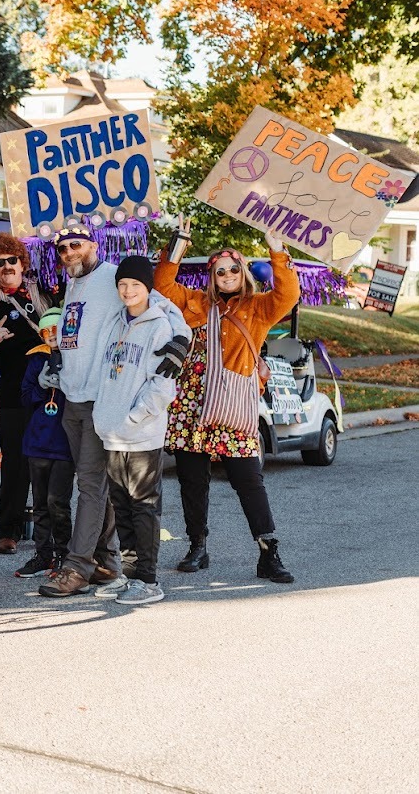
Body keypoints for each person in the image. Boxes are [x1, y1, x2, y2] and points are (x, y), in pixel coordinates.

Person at [40, 225, 190, 598]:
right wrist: (59, 361)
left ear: (93, 244)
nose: (69, 252)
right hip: (73, 397)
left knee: (91, 486)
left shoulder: (113, 277)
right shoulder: (72, 283)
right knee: (99, 489)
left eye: (76, 244)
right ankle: (106, 564)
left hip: (99, 400)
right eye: (62, 248)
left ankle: (77, 567)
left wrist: (181, 342)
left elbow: (164, 307)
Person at [154, 224, 300, 583]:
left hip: (234, 404)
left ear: (243, 272)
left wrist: (277, 251)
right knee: (192, 480)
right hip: (192, 402)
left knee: (249, 480)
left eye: (234, 269)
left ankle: (269, 553)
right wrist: (178, 245)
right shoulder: (196, 303)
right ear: (212, 277)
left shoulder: (259, 306)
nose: (228, 275)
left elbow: (288, 295)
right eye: (220, 271)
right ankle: (197, 546)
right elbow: (162, 286)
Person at [90, 256, 178, 605]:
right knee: (121, 507)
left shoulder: (160, 327)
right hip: (111, 433)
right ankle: (129, 576)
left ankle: (149, 580)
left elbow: (163, 386)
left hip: (141, 434)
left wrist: (134, 417)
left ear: (148, 288)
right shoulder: (116, 323)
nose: (127, 291)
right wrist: (106, 418)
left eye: (136, 285)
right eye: (123, 284)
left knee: (143, 507)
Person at [0, 233, 53, 555]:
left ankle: (51, 531)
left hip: (49, 390)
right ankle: (9, 530)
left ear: (22, 263)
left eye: (11, 260)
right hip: (14, 393)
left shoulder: (46, 295)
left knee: (50, 463)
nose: (6, 267)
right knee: (15, 465)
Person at [15, 307, 73, 579]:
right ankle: (43, 554)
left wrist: (67, 385)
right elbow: (25, 397)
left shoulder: (76, 357)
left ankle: (64, 554)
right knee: (39, 503)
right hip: (37, 441)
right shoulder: (35, 359)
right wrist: (40, 386)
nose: (51, 335)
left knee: (57, 502)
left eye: (56, 330)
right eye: (46, 331)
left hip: (64, 443)